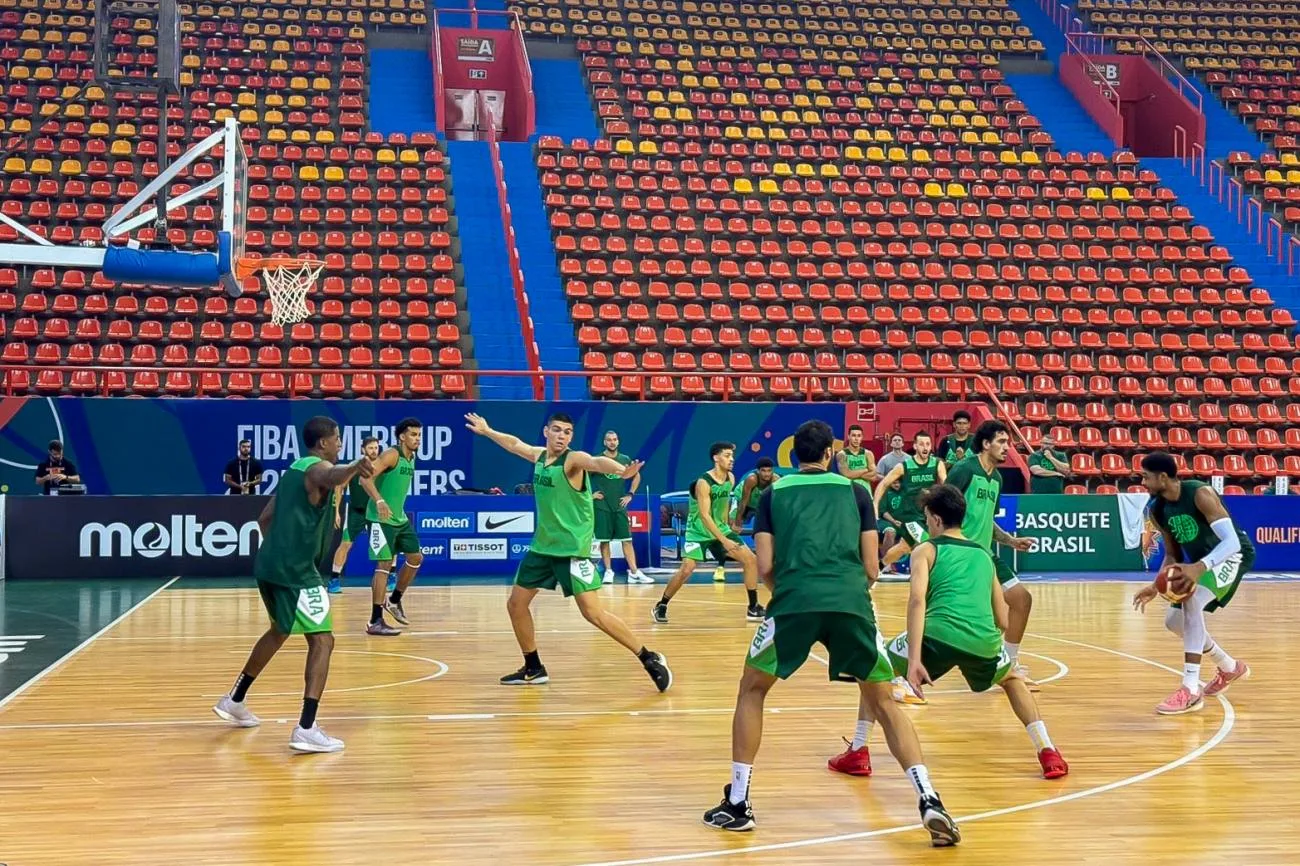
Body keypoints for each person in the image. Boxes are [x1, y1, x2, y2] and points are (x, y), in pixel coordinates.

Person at [701, 420, 959, 847]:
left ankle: (739, 803)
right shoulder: (856, 492)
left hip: (794, 601)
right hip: (851, 602)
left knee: (752, 689)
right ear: (830, 454)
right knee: (885, 702)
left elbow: (764, 567)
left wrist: (791, 595)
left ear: (795, 456)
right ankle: (929, 798)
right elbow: (874, 567)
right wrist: (849, 593)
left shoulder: (772, 493)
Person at [828, 484, 1068, 781]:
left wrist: (914, 660)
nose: (926, 522)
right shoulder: (983, 554)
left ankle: (859, 751)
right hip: (983, 641)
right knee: (1012, 679)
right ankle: (1048, 751)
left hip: (935, 636)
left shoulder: (926, 549)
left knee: (872, 667)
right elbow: (1003, 619)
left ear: (936, 520)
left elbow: (917, 601)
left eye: (927, 517)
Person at [464, 411, 672, 691]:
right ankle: (533, 667)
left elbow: (595, 461)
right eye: (557, 430)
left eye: (567, 432)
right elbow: (514, 444)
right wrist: (488, 430)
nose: (562, 436)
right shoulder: (539, 456)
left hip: (573, 550)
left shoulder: (572, 460)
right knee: (516, 604)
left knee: (593, 613)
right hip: (543, 547)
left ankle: (649, 657)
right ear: (546, 432)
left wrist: (620, 471)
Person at [212, 415, 375, 752]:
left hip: (269, 566)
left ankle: (234, 699)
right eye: (337, 438)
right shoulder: (317, 468)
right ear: (323, 443)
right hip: (297, 572)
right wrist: (354, 466)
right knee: (323, 642)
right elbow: (332, 474)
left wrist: (280, 549)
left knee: (279, 631)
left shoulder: (292, 472)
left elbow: (264, 519)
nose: (340, 443)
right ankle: (306, 727)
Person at [1132, 452, 1254, 715]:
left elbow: (1231, 543)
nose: (1142, 482)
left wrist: (1199, 567)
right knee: (1173, 622)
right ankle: (1229, 666)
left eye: (1145, 476)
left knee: (1192, 600)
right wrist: (1155, 586)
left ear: (1163, 477)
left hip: (1233, 554)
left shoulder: (1200, 494)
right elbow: (1173, 555)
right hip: (1204, 561)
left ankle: (1190, 689)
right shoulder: (1158, 508)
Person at [946, 420, 1037, 686]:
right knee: (950, 618)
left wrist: (1010, 540)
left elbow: (987, 520)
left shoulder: (996, 479)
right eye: (1001, 442)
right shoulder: (964, 470)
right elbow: (942, 509)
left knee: (1021, 600)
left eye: (1008, 443)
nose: (1006, 448)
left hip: (986, 555)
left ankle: (1009, 662)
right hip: (961, 556)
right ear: (986, 444)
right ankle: (905, 673)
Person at [653, 442, 764, 624]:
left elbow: (724, 505)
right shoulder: (703, 483)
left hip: (720, 529)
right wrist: (724, 541)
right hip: (697, 532)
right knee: (687, 570)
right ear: (716, 458)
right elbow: (704, 516)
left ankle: (753, 607)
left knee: (750, 560)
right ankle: (662, 604)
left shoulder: (731, 478)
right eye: (727, 455)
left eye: (732, 456)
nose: (731, 459)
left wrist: (729, 524)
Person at [363, 419, 425, 635]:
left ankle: (395, 600)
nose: (417, 438)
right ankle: (375, 621)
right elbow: (365, 479)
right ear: (402, 437)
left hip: (399, 519)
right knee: (384, 563)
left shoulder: (412, 457)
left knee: (416, 557)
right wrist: (379, 501)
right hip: (379, 519)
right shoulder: (392, 454)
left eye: (419, 435)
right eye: (413, 435)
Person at [873, 432, 946, 576]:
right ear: (915, 446)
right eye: (921, 444)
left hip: (928, 515)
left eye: (928, 444)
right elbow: (883, 484)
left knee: (903, 547)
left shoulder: (937, 464)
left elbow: (946, 485)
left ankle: (879, 566)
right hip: (909, 516)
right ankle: (927, 576)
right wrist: (875, 504)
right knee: (926, 542)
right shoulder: (904, 466)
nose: (925, 447)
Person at [592, 429, 653, 585]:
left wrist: (630, 494)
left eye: (615, 439)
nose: (612, 442)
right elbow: (582, 477)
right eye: (609, 440)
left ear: (618, 441)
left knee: (627, 540)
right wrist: (590, 495)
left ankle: (634, 572)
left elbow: (636, 475)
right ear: (604, 442)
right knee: (604, 541)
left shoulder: (625, 459)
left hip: (619, 506)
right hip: (602, 506)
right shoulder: (598, 460)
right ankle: (608, 571)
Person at [327, 436, 381, 593]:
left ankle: (390, 576)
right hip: (355, 512)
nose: (374, 451)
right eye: (370, 448)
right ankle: (334, 579)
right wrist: (336, 511)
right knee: (346, 544)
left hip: (375, 512)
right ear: (363, 449)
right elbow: (339, 487)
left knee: (386, 546)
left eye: (376, 447)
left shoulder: (383, 466)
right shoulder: (354, 466)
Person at [733, 458, 776, 526]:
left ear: (772, 471)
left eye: (769, 471)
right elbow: (744, 501)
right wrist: (737, 521)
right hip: (742, 499)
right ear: (758, 471)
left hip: (757, 502)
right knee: (733, 523)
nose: (767, 474)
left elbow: (775, 503)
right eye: (763, 471)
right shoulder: (752, 479)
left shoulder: (776, 480)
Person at [876, 477, 904, 564]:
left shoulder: (907, 492)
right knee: (890, 532)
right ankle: (885, 563)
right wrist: (893, 521)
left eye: (899, 482)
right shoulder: (884, 491)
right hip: (885, 521)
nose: (897, 485)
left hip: (902, 522)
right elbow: (883, 511)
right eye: (894, 482)